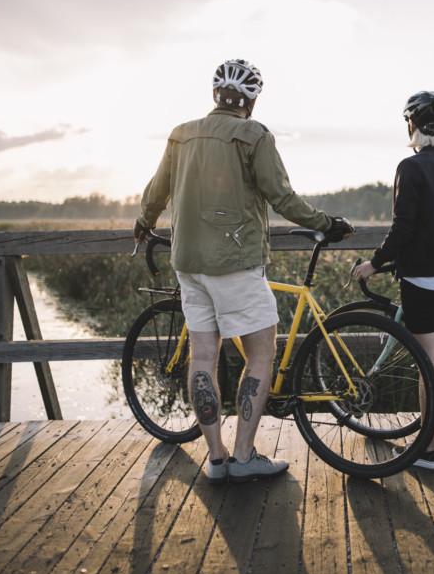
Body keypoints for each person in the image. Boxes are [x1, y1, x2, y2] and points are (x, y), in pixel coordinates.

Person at [135, 59, 353, 484]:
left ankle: (215, 459)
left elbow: (156, 191)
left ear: (215, 95)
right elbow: (282, 197)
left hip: (188, 263)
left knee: (202, 357)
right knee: (261, 354)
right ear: (250, 100)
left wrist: (143, 223)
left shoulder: (181, 134)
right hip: (234, 262)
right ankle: (244, 454)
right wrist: (327, 224)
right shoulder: (254, 134)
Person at [352, 91, 434, 471]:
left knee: (428, 355)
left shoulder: (410, 168)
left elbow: (403, 227)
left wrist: (374, 263)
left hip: (424, 279)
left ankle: (426, 451)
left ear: (411, 124)